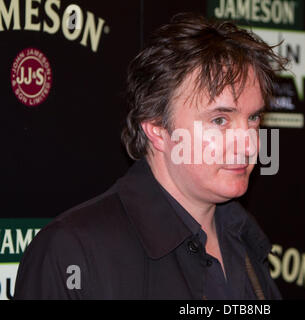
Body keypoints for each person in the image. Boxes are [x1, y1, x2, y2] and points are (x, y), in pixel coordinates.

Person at [14, 12, 286, 300]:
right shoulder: (73, 252)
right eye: (220, 120)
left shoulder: (243, 238)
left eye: (254, 118)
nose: (248, 144)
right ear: (157, 128)